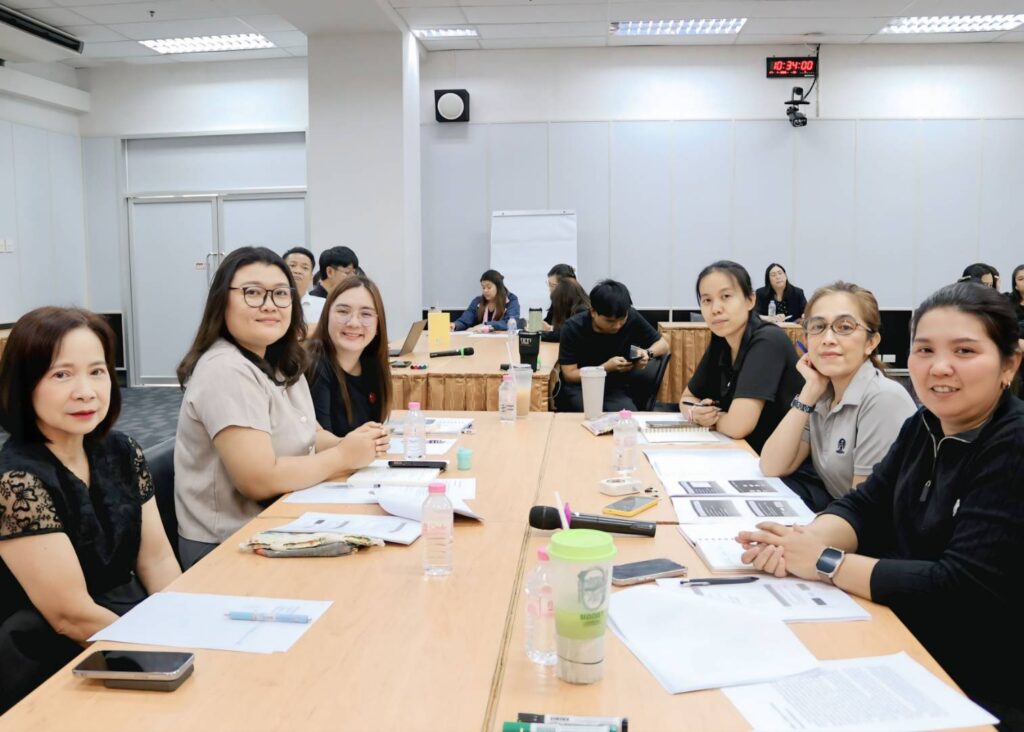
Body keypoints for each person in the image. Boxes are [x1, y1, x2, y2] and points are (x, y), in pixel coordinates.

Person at [738, 282, 1024, 726]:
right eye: (924, 350)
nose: (940, 367)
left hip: (979, 679)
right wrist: (799, 542)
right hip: (906, 633)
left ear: (1010, 363)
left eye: (965, 351)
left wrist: (824, 562)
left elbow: (961, 587)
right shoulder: (923, 424)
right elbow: (864, 505)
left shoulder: (1013, 443)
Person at [0, 307, 181, 711]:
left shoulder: (121, 450)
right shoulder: (15, 481)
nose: (86, 391)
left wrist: (187, 623)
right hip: (53, 650)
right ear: (24, 383)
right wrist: (163, 654)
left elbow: (157, 560)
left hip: (128, 618)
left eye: (97, 371)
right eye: (61, 375)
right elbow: (70, 616)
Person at [174, 247, 389, 569]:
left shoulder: (278, 361)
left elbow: (312, 434)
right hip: (230, 545)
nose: (269, 305)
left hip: (280, 520)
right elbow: (259, 479)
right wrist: (344, 456)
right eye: (252, 293)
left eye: (280, 294)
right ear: (221, 301)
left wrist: (356, 444)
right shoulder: (226, 369)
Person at [758, 282, 917, 510]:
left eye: (844, 327)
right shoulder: (822, 394)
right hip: (842, 515)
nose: (828, 338)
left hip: (874, 527)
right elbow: (772, 465)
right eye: (818, 326)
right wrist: (809, 392)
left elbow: (866, 511)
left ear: (871, 342)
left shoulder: (883, 399)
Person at [681, 261, 804, 454]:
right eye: (707, 300)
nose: (715, 308)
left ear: (750, 300)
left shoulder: (768, 341)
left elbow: (738, 426)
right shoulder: (722, 339)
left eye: (726, 296)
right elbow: (687, 398)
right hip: (740, 451)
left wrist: (710, 419)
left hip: (778, 461)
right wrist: (695, 413)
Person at [557, 279, 670, 412]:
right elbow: (569, 375)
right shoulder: (573, 328)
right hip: (581, 386)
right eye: (610, 321)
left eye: (622, 320)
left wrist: (647, 353)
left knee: (626, 416)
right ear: (593, 312)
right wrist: (604, 368)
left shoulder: (632, 317)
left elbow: (663, 345)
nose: (617, 326)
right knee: (588, 415)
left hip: (614, 387)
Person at [307, 275, 393, 437]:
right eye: (343, 311)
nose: (354, 323)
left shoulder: (371, 363)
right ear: (326, 316)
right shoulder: (314, 365)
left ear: (378, 324)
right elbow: (318, 443)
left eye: (365, 314)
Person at [451, 269, 521, 332]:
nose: (485, 290)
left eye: (489, 287)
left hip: (502, 340)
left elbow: (509, 323)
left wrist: (485, 325)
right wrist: (455, 325)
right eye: (483, 287)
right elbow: (465, 320)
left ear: (499, 287)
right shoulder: (477, 301)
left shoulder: (511, 300)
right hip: (480, 340)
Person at [283, 246, 324, 325]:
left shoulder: (323, 306)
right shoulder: (273, 304)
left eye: (305, 268)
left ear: (311, 276)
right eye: (292, 265)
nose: (298, 271)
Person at [541, 277, 590, 343]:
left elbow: (567, 333)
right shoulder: (573, 307)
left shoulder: (582, 311)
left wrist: (540, 334)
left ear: (565, 299)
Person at [543, 263, 577, 331]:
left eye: (552, 285)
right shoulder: (556, 300)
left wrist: (550, 328)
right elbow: (547, 322)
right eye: (549, 284)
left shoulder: (579, 307)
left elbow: (572, 331)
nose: (550, 289)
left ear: (566, 285)